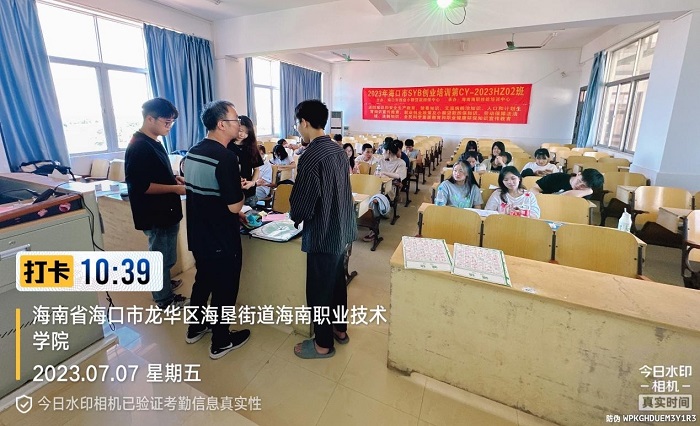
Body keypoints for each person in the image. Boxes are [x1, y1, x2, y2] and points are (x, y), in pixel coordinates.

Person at [289, 100, 356, 359]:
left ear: (305, 122)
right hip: (342, 229)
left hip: (323, 233)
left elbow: (303, 202)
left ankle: (323, 344)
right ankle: (340, 329)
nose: (298, 128)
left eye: (298, 123)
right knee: (337, 283)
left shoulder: (310, 156)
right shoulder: (338, 150)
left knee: (319, 291)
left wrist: (295, 216)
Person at [183, 100, 250, 360]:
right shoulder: (225, 157)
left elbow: (205, 194)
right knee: (225, 288)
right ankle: (221, 341)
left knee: (203, 281)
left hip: (198, 233)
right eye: (235, 120)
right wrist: (239, 191)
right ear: (222, 124)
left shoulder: (193, 151)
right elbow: (234, 206)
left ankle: (196, 327)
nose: (239, 125)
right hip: (221, 237)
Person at [124, 97, 187, 310]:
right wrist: (175, 189)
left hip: (166, 210)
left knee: (167, 255)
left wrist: (174, 179)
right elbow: (141, 186)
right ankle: (164, 299)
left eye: (172, 122)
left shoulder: (153, 141)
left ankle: (164, 284)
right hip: (155, 213)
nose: (169, 127)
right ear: (150, 119)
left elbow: (155, 173)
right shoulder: (139, 146)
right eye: (166, 122)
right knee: (160, 257)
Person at [362, 140, 407, 242]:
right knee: (366, 196)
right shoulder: (381, 161)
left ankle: (374, 229)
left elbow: (399, 176)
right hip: (377, 186)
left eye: (383, 151)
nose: (382, 153)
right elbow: (375, 174)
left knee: (375, 199)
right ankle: (366, 218)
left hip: (390, 189)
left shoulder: (401, 163)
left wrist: (384, 173)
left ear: (388, 151)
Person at [228, 115, 263, 208]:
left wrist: (252, 182)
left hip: (249, 192)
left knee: (250, 214)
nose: (242, 134)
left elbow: (256, 169)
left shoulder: (252, 148)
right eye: (240, 130)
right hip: (232, 191)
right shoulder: (227, 146)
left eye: (246, 132)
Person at [530, 169, 604, 197]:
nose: (578, 186)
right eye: (579, 181)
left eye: (583, 186)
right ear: (578, 174)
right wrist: (540, 198)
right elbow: (535, 188)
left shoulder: (585, 192)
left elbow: (564, 198)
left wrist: (588, 191)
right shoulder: (557, 177)